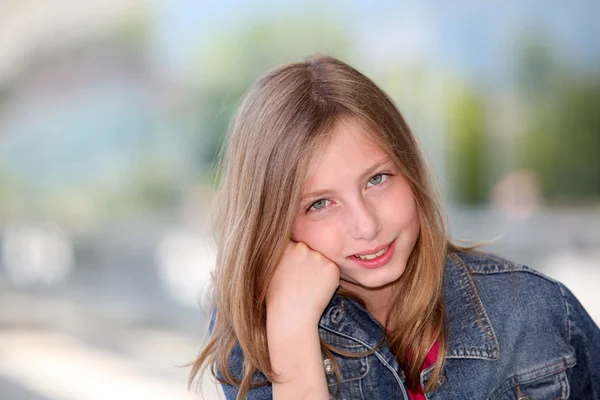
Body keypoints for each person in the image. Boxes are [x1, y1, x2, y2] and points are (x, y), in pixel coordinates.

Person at [189, 55, 600, 400]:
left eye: (377, 179)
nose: (366, 225)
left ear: (411, 171)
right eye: (320, 204)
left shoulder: (534, 315)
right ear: (273, 225)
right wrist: (293, 343)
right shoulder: (258, 334)